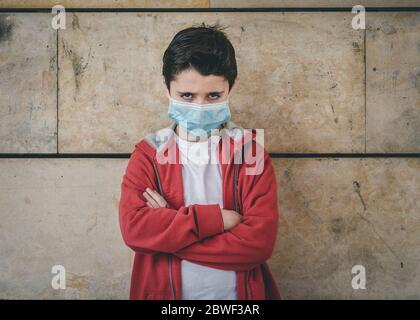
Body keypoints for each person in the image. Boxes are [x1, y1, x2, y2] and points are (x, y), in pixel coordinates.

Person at [118, 22, 280, 300]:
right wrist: (216, 219)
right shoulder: (148, 154)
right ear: (167, 88)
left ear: (232, 88)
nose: (200, 107)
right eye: (187, 96)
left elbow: (258, 245)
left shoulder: (250, 153)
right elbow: (135, 231)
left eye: (214, 95)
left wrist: (167, 232)